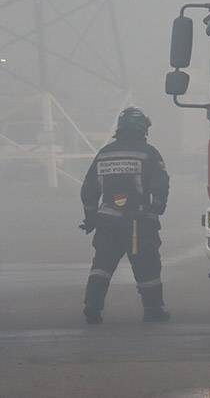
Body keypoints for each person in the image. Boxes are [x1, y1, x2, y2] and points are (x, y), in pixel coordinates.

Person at [79, 107, 171, 324]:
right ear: (142, 128)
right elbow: (161, 183)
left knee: (102, 264)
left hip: (107, 221)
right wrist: (157, 206)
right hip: (138, 223)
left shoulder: (105, 153)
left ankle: (92, 306)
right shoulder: (149, 153)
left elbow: (89, 189)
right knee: (146, 265)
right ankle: (153, 309)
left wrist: (91, 217)